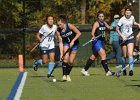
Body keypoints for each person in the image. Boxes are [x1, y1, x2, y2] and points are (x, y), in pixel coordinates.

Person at [81, 11, 115, 76]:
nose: (101, 18)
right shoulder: (96, 23)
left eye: (102, 16)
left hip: (101, 41)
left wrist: (117, 27)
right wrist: (93, 36)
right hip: (97, 41)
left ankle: (84, 70)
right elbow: (92, 32)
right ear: (98, 17)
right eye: (100, 16)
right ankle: (107, 71)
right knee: (103, 55)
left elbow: (109, 28)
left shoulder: (104, 23)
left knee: (93, 56)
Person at [116, 6, 140, 76]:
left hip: (130, 38)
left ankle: (131, 70)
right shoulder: (122, 19)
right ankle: (124, 69)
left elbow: (133, 22)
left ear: (131, 13)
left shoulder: (132, 17)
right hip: (123, 39)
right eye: (126, 12)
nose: (127, 14)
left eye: (129, 12)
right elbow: (117, 29)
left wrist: (138, 24)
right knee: (124, 55)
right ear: (125, 13)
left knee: (130, 53)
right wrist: (122, 36)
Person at [57, 15, 81, 82]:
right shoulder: (58, 31)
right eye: (58, 25)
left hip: (75, 43)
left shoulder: (69, 25)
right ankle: (64, 75)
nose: (59, 26)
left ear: (63, 23)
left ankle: (67, 75)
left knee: (71, 61)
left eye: (60, 24)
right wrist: (61, 54)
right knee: (65, 58)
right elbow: (61, 42)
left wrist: (73, 41)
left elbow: (79, 33)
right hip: (66, 43)